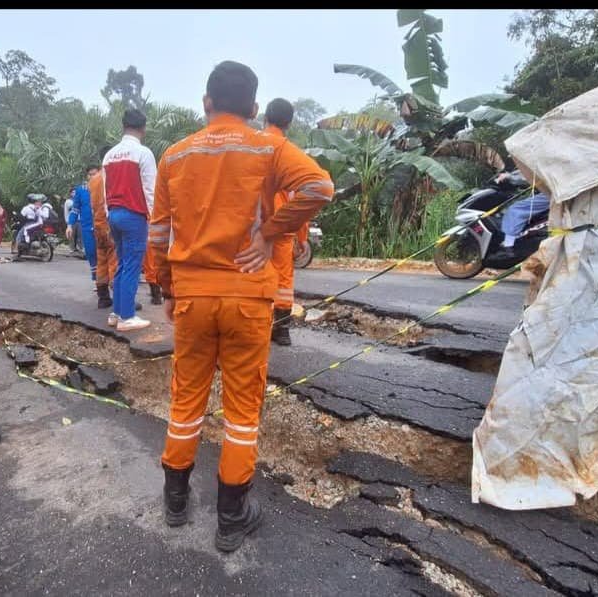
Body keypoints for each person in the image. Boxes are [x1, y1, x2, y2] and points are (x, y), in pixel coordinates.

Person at [150, 61, 334, 553]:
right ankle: (231, 517)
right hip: (249, 299)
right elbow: (319, 186)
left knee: (186, 400)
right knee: (241, 409)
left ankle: (175, 501)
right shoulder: (269, 146)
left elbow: (159, 232)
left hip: (191, 299)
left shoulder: (173, 156)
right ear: (254, 109)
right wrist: (271, 232)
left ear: (206, 102)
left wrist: (167, 288)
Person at [102, 108, 156, 332]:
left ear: (123, 126)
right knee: (133, 265)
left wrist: (108, 214)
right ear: (143, 128)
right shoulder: (143, 153)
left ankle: (116, 313)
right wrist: (154, 219)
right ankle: (127, 316)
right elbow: (150, 189)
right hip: (134, 214)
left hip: (114, 213)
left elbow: (105, 190)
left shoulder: (109, 155)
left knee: (122, 263)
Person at [262, 98, 311, 346]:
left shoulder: (252, 146)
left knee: (252, 272)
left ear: (264, 118)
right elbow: (300, 200)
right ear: (289, 123)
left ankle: (253, 326)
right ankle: (281, 330)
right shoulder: (291, 155)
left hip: (253, 226)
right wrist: (302, 237)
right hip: (282, 227)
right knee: (282, 279)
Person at [489, 170, 550, 260]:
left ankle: (508, 247)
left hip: (551, 194)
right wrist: (510, 175)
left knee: (514, 210)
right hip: (551, 192)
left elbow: (530, 177)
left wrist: (510, 177)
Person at [89, 149, 117, 309]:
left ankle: (103, 297)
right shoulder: (110, 176)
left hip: (97, 225)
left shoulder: (93, 180)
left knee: (102, 261)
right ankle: (122, 299)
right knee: (115, 261)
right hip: (109, 224)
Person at [68, 166, 100, 281]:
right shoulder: (81, 190)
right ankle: (96, 280)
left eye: (95, 174)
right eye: (90, 174)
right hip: (86, 227)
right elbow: (75, 209)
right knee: (91, 252)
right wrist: (69, 225)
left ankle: (105, 280)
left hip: (102, 226)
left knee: (104, 253)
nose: (92, 176)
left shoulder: (105, 187)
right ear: (87, 176)